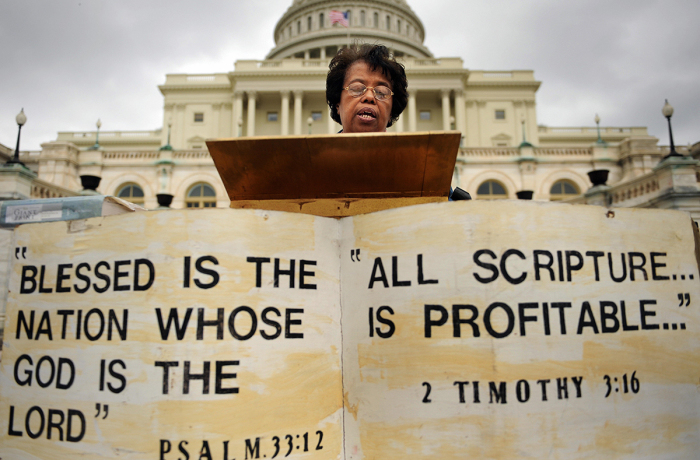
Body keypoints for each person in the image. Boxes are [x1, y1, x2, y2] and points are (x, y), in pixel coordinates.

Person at [326, 44, 408, 133]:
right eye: (357, 88)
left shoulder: (415, 147)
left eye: (381, 92)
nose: (369, 97)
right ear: (338, 104)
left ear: (391, 112)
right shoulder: (315, 147)